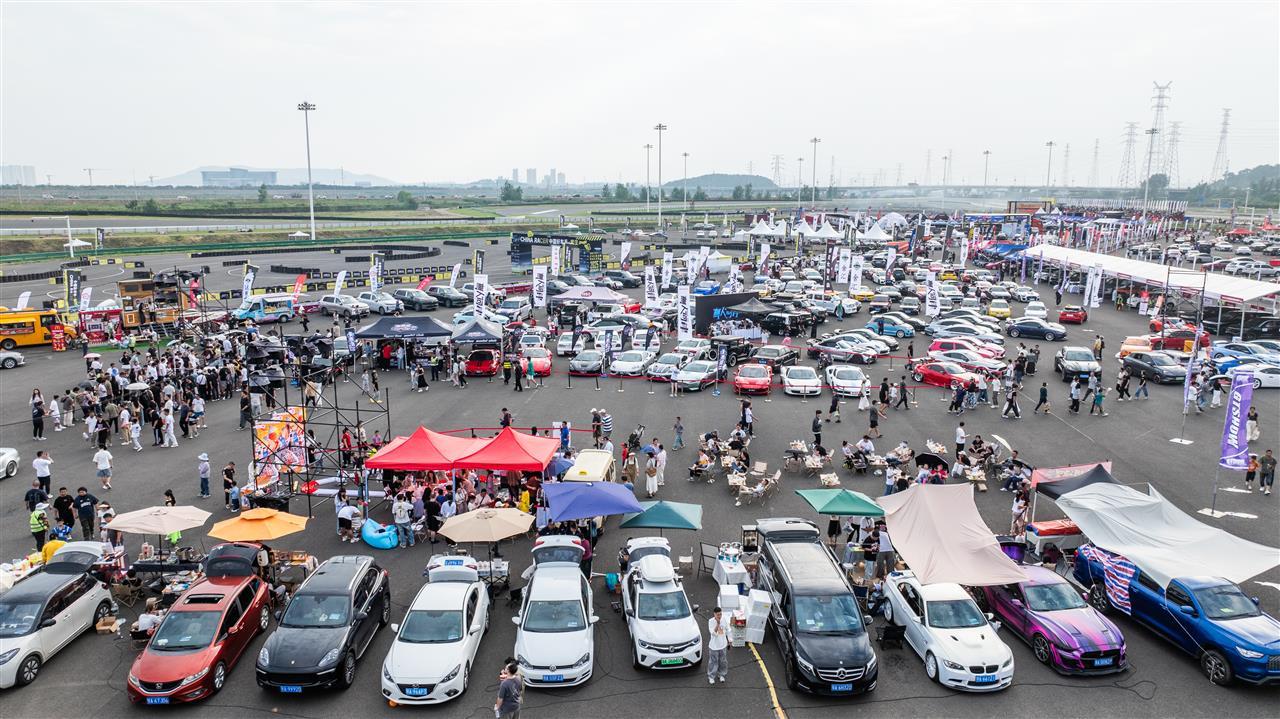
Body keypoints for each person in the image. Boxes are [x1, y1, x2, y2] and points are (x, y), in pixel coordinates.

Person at [706, 607, 729, 684]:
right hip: (714, 646)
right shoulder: (711, 621)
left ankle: (721, 674)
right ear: (714, 614)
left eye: (720, 614)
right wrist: (718, 624)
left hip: (723, 645)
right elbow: (713, 633)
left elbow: (727, 629)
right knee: (713, 662)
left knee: (723, 661)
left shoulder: (724, 619)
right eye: (718, 615)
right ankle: (711, 676)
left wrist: (729, 640)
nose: (720, 616)